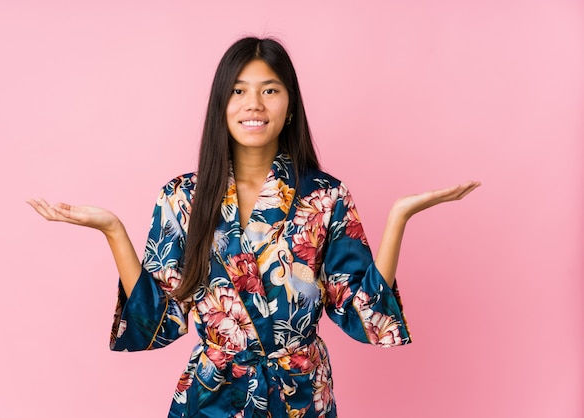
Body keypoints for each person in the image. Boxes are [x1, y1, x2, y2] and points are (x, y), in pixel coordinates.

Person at [27, 37, 480, 418]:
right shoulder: (183, 196)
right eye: (239, 91)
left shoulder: (325, 196)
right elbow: (158, 318)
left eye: (270, 90)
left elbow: (364, 311)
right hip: (211, 397)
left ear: (290, 103)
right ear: (221, 103)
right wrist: (113, 230)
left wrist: (398, 217)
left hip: (300, 395)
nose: (254, 105)